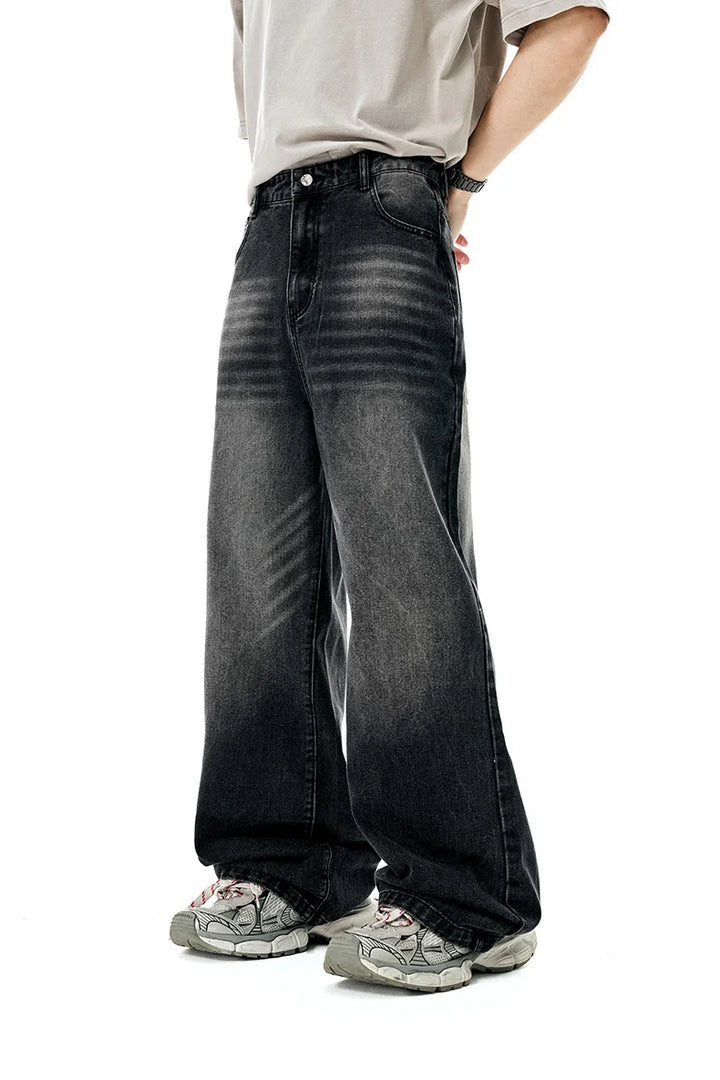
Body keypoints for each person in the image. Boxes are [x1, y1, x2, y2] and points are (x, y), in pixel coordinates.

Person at [170, 0, 610, 993]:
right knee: (254, 566)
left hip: (385, 200)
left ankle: (468, 896)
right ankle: (288, 868)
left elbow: (570, 23)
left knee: (402, 559)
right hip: (270, 219)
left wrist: (461, 184)